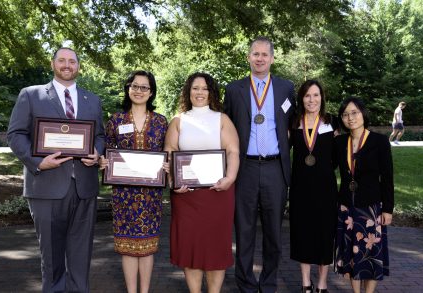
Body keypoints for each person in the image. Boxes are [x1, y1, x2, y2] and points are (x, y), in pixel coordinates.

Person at [7, 47, 104, 293]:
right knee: (51, 257)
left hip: (84, 187)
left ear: (78, 66)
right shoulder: (31, 95)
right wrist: (37, 162)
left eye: (72, 61)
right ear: (53, 64)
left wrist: (96, 151)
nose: (67, 65)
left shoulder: (92, 100)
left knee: (81, 256)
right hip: (46, 186)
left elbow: (100, 136)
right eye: (61, 60)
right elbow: (15, 134)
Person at [224, 36, 295, 293]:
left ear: (272, 58)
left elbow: (294, 126)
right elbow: (226, 129)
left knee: (274, 234)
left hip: (276, 169)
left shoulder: (287, 88)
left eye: (265, 54)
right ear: (248, 57)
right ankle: (245, 284)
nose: (260, 58)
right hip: (245, 169)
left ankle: (268, 283)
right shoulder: (234, 89)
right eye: (256, 54)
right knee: (244, 231)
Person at [164, 72, 239, 293]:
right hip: (186, 196)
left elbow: (233, 151)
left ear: (211, 92)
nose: (199, 92)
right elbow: (170, 152)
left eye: (204, 88)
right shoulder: (179, 120)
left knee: (216, 248)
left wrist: (230, 178)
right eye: (195, 88)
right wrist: (173, 182)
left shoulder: (221, 119)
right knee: (190, 248)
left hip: (218, 194)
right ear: (188, 91)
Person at [99, 71, 168, 293]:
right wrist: (104, 162)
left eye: (144, 87)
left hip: (150, 194)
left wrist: (168, 166)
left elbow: (168, 152)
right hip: (123, 193)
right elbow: (107, 149)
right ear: (128, 89)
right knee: (127, 246)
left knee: (148, 246)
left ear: (151, 92)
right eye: (134, 86)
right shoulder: (116, 120)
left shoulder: (160, 122)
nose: (139, 91)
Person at [334, 97, 394, 293]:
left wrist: (388, 209)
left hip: (371, 208)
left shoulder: (379, 141)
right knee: (351, 255)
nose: (350, 118)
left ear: (363, 114)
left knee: (371, 254)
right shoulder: (340, 141)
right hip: (346, 207)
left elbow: (387, 177)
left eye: (354, 113)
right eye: (345, 114)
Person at [289, 80, 339, 293]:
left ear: (322, 97)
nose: (312, 100)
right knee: (303, 233)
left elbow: (339, 156)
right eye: (308, 95)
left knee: (324, 233)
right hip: (301, 188)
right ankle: (306, 282)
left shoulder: (332, 122)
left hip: (325, 188)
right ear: (302, 98)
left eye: (316, 95)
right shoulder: (293, 123)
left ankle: (322, 282)